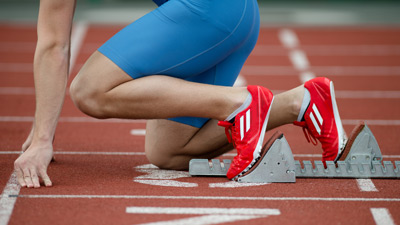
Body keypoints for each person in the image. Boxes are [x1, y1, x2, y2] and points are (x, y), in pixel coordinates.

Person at [14, 0, 348, 188]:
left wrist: (44, 139)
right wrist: (41, 131)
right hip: (236, 14)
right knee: (170, 152)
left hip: (210, 11)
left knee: (89, 90)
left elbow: (54, 45)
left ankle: (241, 103)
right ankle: (300, 102)